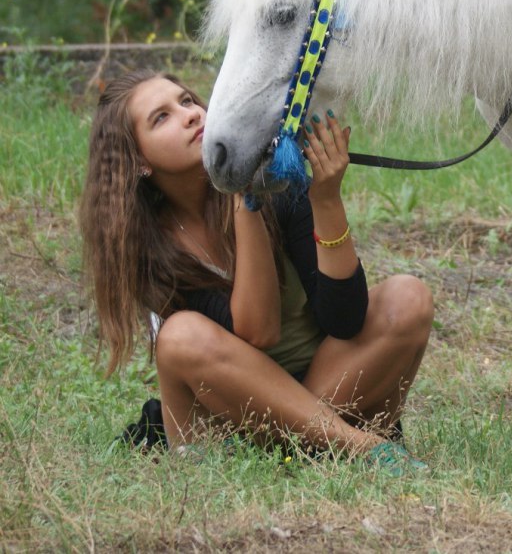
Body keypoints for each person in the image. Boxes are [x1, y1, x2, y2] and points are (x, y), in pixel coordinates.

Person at [80, 69, 434, 473]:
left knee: (408, 297)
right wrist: (243, 204)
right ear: (139, 160)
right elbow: (258, 332)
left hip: (325, 384)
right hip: (229, 418)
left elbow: (345, 320)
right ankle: (359, 447)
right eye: (161, 118)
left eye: (186, 101)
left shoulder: (278, 184)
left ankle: (309, 447)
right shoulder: (146, 247)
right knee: (180, 337)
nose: (191, 114)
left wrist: (326, 199)